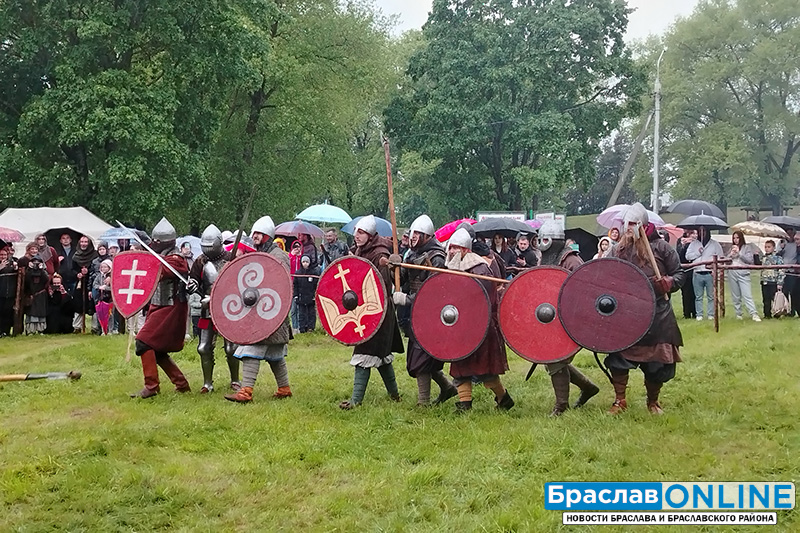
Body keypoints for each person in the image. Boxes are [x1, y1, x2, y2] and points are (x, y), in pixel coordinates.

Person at [607, 203, 686, 415]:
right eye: (627, 224)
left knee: (656, 363)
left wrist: (668, 282)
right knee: (619, 359)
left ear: (643, 225)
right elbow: (605, 274)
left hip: (657, 314)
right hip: (625, 314)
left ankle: (653, 402)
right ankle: (620, 401)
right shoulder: (618, 249)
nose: (628, 229)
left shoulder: (662, 248)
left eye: (633, 224)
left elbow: (680, 274)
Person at [225, 215, 294, 403]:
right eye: (254, 233)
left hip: (272, 311)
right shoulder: (258, 254)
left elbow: (280, 285)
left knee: (252, 348)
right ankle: (284, 389)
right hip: (261, 312)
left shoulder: (278, 256)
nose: (254, 236)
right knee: (274, 354)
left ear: (267, 235)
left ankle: (245, 392)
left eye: (258, 233)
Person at [443, 228, 512, 412]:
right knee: (460, 367)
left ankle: (504, 398)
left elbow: (482, 300)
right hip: (461, 326)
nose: (452, 251)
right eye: (450, 248)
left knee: (486, 371)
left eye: (456, 248)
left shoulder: (479, 269)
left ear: (465, 249)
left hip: (480, 327)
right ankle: (465, 404)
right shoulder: (453, 267)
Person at [391, 214, 458, 406]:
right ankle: (447, 387)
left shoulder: (437, 257)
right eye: (412, 233)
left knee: (421, 358)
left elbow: (434, 292)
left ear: (427, 235)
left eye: (417, 234)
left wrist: (407, 299)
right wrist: (394, 267)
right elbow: (403, 279)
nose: (412, 237)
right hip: (416, 313)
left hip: (431, 314)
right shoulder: (412, 254)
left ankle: (423, 402)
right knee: (420, 356)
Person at [339, 215, 405, 410]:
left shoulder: (379, 253)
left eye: (361, 232)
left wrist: (391, 266)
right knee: (382, 357)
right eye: (356, 232)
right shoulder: (359, 251)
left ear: (370, 234)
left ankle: (356, 400)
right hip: (366, 310)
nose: (357, 236)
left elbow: (380, 287)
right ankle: (394, 395)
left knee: (365, 353)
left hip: (378, 311)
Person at [536, 219, 599, 415]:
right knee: (554, 358)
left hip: (569, 319)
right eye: (540, 239)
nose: (542, 244)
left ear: (555, 241)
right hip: (550, 317)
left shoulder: (572, 261)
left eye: (545, 240)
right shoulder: (544, 259)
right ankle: (588, 387)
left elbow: (582, 291)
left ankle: (561, 406)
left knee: (555, 359)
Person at [130, 217, 191, 399]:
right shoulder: (159, 254)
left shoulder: (176, 259)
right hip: (158, 305)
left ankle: (151, 386)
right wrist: (144, 244)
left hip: (171, 307)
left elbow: (160, 270)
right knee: (156, 348)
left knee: (143, 341)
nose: (153, 244)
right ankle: (181, 384)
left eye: (156, 241)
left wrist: (147, 255)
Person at [187, 224, 241, 394]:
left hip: (228, 309)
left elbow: (238, 286)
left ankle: (235, 380)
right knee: (203, 348)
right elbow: (193, 279)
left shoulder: (231, 258)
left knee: (231, 348)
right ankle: (207, 384)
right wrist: (192, 285)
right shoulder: (200, 261)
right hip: (207, 309)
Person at [685, 227, 723, 321]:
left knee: (711, 296)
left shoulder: (715, 244)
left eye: (704, 231)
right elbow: (688, 256)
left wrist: (715, 269)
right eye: (700, 231)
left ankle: (711, 314)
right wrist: (698, 253)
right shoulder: (693, 244)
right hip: (697, 272)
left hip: (710, 273)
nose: (702, 233)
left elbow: (720, 257)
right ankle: (699, 314)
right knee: (698, 296)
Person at [726, 231, 761, 322]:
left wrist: (739, 254)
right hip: (732, 272)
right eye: (734, 238)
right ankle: (738, 313)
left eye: (737, 238)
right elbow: (726, 261)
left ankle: (754, 313)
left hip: (743, 273)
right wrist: (730, 255)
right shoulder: (731, 248)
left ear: (741, 238)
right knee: (735, 295)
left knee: (747, 295)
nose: (735, 240)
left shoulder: (747, 248)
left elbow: (750, 260)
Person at [72, 235, 98, 332]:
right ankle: (77, 327)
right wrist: (77, 274)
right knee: (78, 304)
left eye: (86, 242)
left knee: (93, 304)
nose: (83, 244)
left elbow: (97, 268)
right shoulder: (76, 256)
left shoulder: (94, 255)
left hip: (92, 282)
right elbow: (72, 269)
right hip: (80, 283)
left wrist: (88, 271)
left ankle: (95, 327)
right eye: (82, 242)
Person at [23, 257, 49, 335]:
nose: (36, 264)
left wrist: (41, 269)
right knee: (31, 313)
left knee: (41, 313)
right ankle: (31, 330)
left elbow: (46, 279)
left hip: (41, 295)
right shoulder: (29, 272)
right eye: (34, 263)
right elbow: (26, 280)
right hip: (31, 295)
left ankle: (40, 330)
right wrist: (30, 269)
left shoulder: (43, 272)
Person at [293, 255, 319, 333]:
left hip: (311, 296)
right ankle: (302, 328)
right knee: (301, 313)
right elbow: (295, 286)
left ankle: (311, 328)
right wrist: (296, 296)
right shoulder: (298, 273)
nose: (305, 263)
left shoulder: (314, 273)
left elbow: (316, 285)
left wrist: (315, 295)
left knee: (311, 313)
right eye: (303, 262)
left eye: (307, 262)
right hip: (301, 297)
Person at [675, 230, 697, 319]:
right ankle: (686, 313)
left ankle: (695, 312)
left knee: (694, 293)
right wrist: (683, 245)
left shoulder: (696, 242)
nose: (694, 235)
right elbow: (679, 254)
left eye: (695, 233)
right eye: (692, 233)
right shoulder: (680, 240)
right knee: (685, 293)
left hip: (694, 269)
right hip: (684, 270)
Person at [760, 240, 784, 319]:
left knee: (775, 298)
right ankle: (767, 314)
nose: (767, 249)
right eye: (765, 247)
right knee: (765, 299)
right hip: (764, 281)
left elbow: (781, 270)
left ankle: (777, 313)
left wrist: (780, 282)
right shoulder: (763, 258)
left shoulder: (778, 258)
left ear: (773, 248)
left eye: (769, 247)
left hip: (773, 281)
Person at [779, 232, 800, 317]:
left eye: (797, 239)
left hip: (796, 273)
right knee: (794, 293)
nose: (796, 241)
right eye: (795, 240)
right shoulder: (796, 248)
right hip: (795, 273)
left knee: (795, 293)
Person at [93, 259, 114, 335]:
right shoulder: (99, 276)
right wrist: (99, 287)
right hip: (101, 298)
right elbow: (95, 284)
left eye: (105, 267)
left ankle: (110, 330)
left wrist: (106, 288)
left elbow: (114, 287)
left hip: (109, 298)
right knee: (101, 314)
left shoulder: (112, 276)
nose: (103, 269)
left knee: (110, 314)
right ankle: (103, 330)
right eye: (102, 267)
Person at [0, 248, 18, 336]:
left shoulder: (12, 263)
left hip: (10, 293)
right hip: (1, 293)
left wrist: (16, 268)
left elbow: (19, 273)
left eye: (4, 255)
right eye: (1, 255)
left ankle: (6, 331)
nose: (3, 257)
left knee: (8, 313)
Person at [288, 240, 303, 331]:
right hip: (291, 283)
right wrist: (292, 255)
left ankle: (300, 326)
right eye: (295, 247)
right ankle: (294, 327)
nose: (297, 248)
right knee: (293, 308)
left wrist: (300, 256)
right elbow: (288, 265)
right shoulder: (290, 257)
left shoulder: (302, 257)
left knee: (299, 308)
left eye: (298, 246)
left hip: (300, 284)